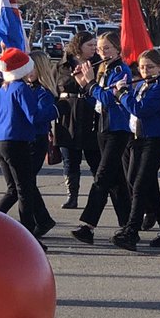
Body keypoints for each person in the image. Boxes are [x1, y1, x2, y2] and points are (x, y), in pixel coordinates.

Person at [111, 48, 160, 250]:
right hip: (138, 140)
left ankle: (132, 231)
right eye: (142, 67)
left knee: (140, 186)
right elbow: (132, 110)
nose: (145, 70)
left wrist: (123, 94)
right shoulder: (142, 85)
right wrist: (122, 94)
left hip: (154, 141)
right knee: (142, 185)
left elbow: (140, 110)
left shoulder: (159, 88)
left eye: (150, 67)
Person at [70, 33, 133, 243]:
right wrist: (83, 85)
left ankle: (87, 226)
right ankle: (128, 225)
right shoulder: (104, 71)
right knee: (116, 182)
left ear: (117, 49)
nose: (102, 52)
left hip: (118, 130)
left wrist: (90, 84)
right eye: (99, 48)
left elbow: (108, 98)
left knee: (102, 177)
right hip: (103, 129)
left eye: (106, 48)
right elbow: (96, 104)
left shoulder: (120, 71)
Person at [0, 47, 55, 245]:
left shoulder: (3, 89)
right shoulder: (21, 89)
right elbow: (34, 115)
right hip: (17, 142)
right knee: (25, 190)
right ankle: (27, 237)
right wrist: (54, 111)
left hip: (0, 141)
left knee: (13, 189)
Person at [56, 32, 100, 209]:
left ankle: (101, 194)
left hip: (90, 114)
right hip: (68, 115)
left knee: (96, 159)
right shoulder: (63, 65)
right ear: (79, 45)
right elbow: (55, 88)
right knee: (70, 159)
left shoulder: (98, 63)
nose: (93, 48)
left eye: (94, 45)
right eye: (90, 45)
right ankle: (72, 195)